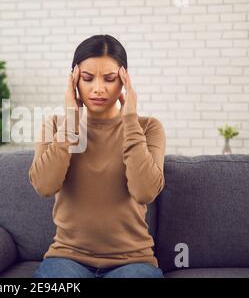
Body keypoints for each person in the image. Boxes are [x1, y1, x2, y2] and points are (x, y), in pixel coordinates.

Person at [29, 34, 166, 278]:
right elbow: (44, 186)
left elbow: (145, 191)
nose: (99, 89)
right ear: (74, 80)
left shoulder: (148, 128)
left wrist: (130, 122)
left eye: (110, 79)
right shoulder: (54, 125)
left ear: (124, 80)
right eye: (88, 78)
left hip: (133, 261)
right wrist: (71, 120)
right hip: (67, 259)